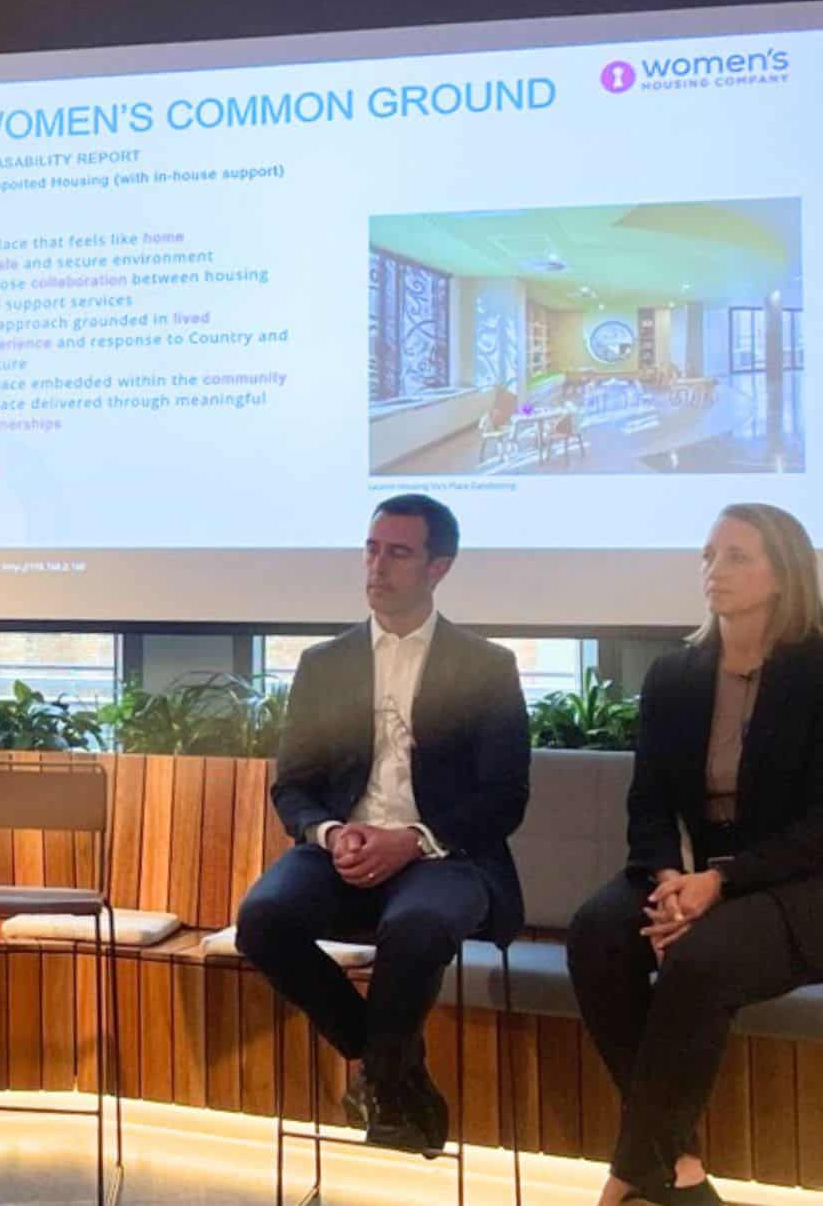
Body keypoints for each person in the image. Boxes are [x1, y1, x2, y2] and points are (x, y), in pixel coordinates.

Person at [236, 494, 530, 1155]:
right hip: (342, 847)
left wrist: (413, 840)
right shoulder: (325, 663)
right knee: (262, 920)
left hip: (444, 855)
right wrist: (332, 833)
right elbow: (293, 785)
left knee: (417, 927)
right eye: (371, 550)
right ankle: (393, 1069)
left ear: (437, 567)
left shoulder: (487, 667)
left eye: (398, 553)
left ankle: (384, 1080)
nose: (377, 566)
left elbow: (504, 797)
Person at [566, 503, 823, 1206]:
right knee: (597, 932)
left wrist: (722, 880)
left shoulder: (817, 668)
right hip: (694, 870)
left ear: (784, 572)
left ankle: (628, 1174)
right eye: (709, 555)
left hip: (798, 881)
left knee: (698, 959)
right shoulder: (675, 673)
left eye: (737, 556)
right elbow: (648, 801)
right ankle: (674, 1163)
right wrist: (670, 878)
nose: (715, 570)